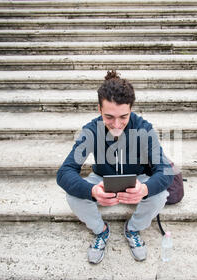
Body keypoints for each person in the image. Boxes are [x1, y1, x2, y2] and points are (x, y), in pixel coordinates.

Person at [57, 70, 174, 264]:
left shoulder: (144, 128)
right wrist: (91, 190)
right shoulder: (92, 130)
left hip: (137, 178)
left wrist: (145, 188)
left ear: (131, 110)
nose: (117, 124)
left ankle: (133, 228)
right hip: (102, 179)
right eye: (109, 117)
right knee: (72, 196)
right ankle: (101, 231)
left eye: (123, 117)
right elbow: (65, 172)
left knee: (160, 195)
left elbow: (165, 170)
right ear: (99, 109)